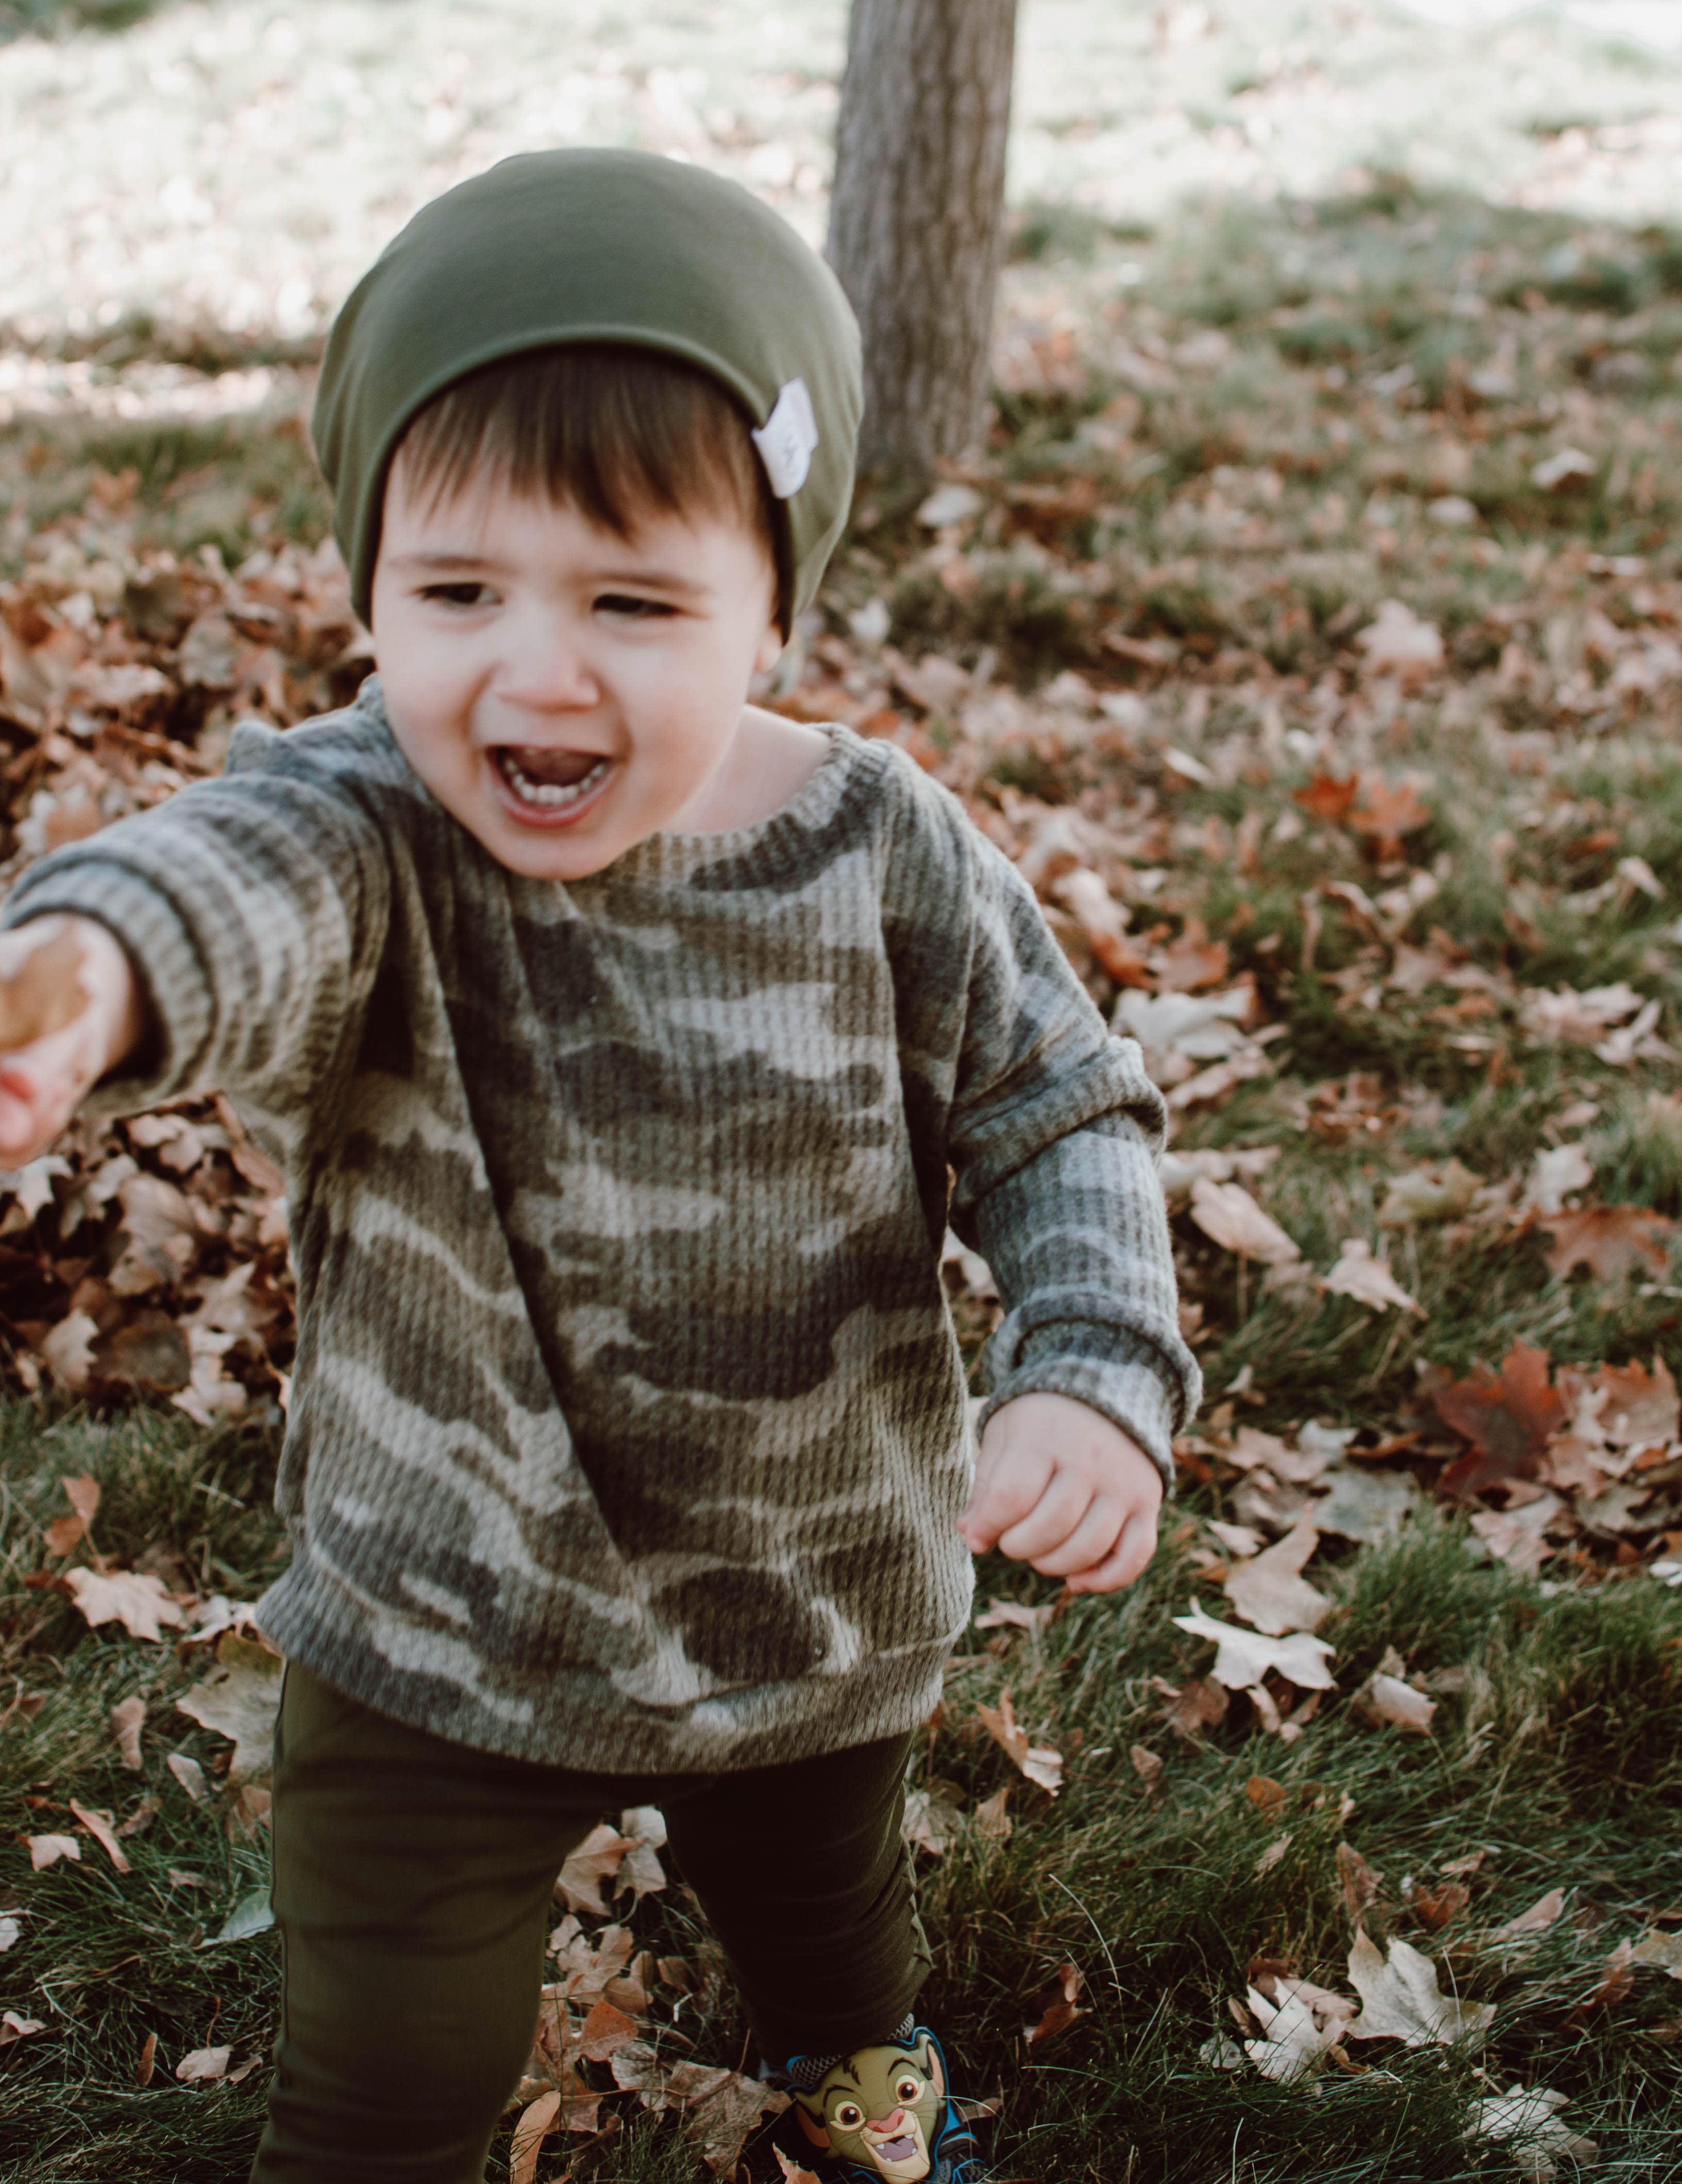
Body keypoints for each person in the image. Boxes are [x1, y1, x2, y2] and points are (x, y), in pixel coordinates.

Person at [0, 150, 1200, 2184]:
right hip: (437, 1616)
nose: (536, 672)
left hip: (802, 1603)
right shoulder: (366, 823)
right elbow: (228, 886)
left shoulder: (876, 848)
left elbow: (1057, 1103)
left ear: (771, 607)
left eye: (635, 604)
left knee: (831, 1934)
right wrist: (84, 971)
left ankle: (869, 2081)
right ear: (371, 580)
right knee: (382, 2091)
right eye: (458, 591)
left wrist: (1092, 1359)